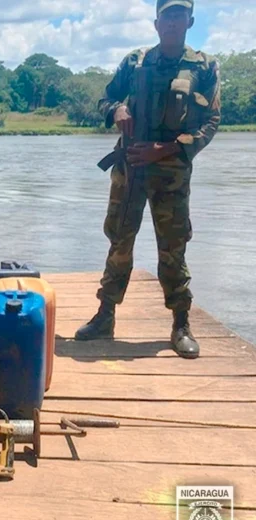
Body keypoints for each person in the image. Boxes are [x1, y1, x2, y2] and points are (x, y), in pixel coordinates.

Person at [75, 0, 221, 359]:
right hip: (130, 168)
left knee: (172, 247)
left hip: (171, 172)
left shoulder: (204, 67)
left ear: (190, 20)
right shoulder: (135, 62)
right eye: (166, 16)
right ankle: (105, 314)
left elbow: (211, 123)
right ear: (156, 23)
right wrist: (117, 109)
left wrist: (167, 148)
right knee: (119, 239)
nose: (172, 22)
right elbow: (105, 98)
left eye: (179, 15)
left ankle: (181, 323)